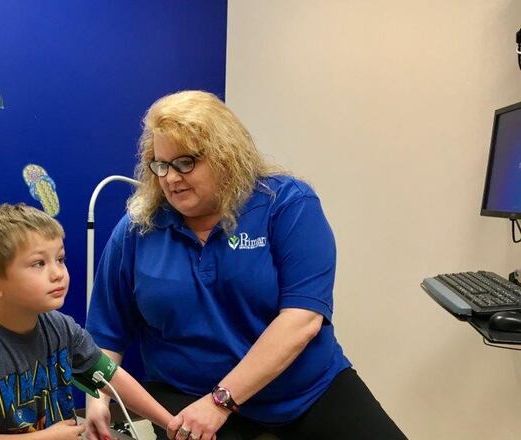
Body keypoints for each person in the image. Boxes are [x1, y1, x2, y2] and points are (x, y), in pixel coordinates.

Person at [84, 90, 406, 440]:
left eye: (185, 163)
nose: (171, 178)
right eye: (161, 165)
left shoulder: (285, 204)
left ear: (226, 156)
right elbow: (105, 334)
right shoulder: (138, 227)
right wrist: (95, 396)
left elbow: (302, 320)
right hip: (186, 397)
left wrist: (221, 401)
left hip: (304, 393)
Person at [0, 203, 173, 439]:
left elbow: (111, 377)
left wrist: (171, 425)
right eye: (39, 263)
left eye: (60, 259)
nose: (58, 273)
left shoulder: (61, 328)